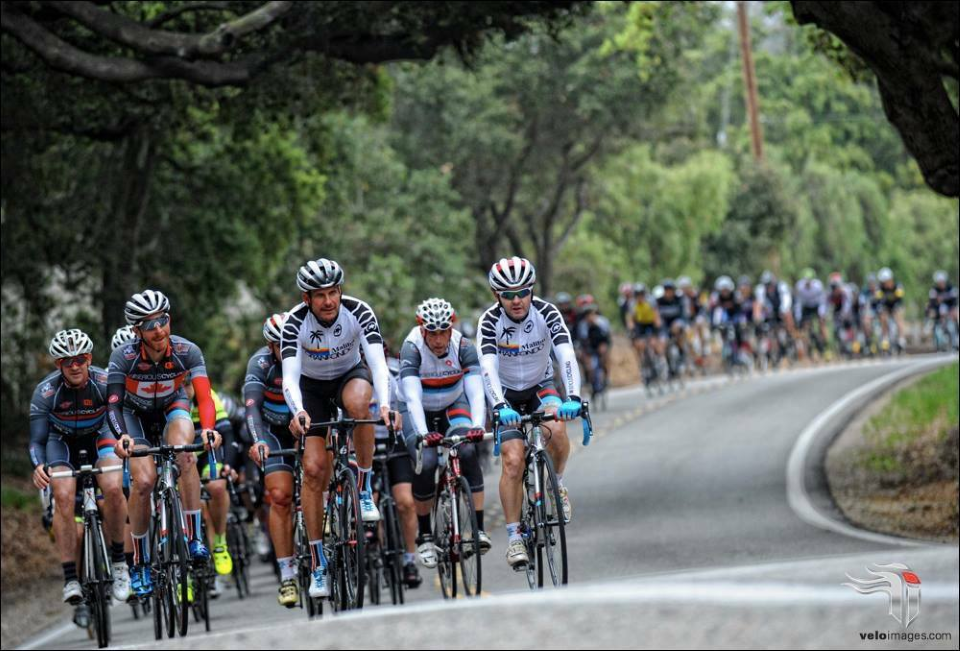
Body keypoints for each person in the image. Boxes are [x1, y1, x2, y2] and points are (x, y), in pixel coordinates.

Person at [280, 258, 400, 598]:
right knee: (314, 470)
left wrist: (387, 405)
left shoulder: (359, 312)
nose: (329, 301)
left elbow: (377, 364)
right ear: (307, 299)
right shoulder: (294, 324)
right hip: (311, 389)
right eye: (320, 295)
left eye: (333, 292)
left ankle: (362, 488)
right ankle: (318, 564)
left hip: (349, 376)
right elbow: (289, 377)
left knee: (362, 405)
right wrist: (299, 410)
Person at [110, 290, 222, 597]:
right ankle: (142, 561)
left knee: (186, 456)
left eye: (163, 320)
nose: (158, 329)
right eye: (149, 325)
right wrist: (122, 436)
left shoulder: (188, 351)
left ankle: (194, 536)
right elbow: (114, 404)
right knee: (143, 481)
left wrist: (209, 429)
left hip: (173, 404)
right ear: (137, 332)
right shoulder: (124, 357)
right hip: (135, 415)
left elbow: (203, 395)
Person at [477, 257, 583, 569]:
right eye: (508, 294)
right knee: (512, 460)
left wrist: (574, 396)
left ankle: (556, 484)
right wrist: (498, 406)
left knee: (558, 429)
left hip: (541, 386)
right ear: (497, 296)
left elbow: (565, 353)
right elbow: (487, 367)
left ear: (531, 290)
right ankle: (514, 539)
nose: (517, 299)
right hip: (506, 394)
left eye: (523, 292)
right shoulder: (488, 322)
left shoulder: (547, 313)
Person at [30, 329, 130, 604]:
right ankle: (71, 578)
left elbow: (117, 416)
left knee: (112, 487)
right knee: (61, 496)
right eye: (66, 361)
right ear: (57, 365)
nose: (74, 366)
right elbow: (37, 440)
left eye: (80, 359)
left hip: (101, 436)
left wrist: (123, 438)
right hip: (59, 441)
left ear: (89, 359)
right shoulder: (46, 391)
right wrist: (39, 466)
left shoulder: (104, 381)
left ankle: (120, 562)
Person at [397, 298, 489, 574]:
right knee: (425, 461)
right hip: (419, 410)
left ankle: (479, 529)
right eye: (432, 333)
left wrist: (477, 425)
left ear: (452, 328)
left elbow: (475, 390)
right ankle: (424, 535)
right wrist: (424, 434)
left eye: (443, 332)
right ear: (422, 330)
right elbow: (412, 398)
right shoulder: (411, 348)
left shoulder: (463, 345)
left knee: (469, 451)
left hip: (452, 402)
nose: (438, 340)